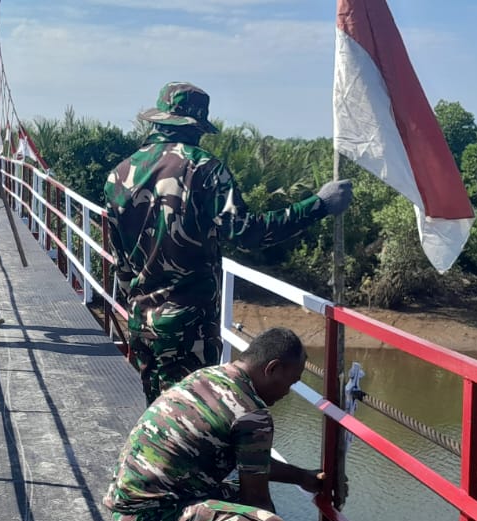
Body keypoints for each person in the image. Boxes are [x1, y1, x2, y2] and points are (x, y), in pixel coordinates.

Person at [104, 81, 357, 401]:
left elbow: (122, 263)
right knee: (191, 416)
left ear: (159, 121)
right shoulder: (204, 169)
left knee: (157, 414)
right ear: (196, 127)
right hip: (188, 328)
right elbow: (247, 233)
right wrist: (318, 205)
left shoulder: (119, 174)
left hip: (141, 321)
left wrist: (138, 304)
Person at [103, 327, 346, 521]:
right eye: (291, 381)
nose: (287, 392)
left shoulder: (207, 377)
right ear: (272, 369)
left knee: (231, 496)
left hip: (131, 516)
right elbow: (256, 499)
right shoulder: (252, 413)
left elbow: (251, 462)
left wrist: (301, 477)